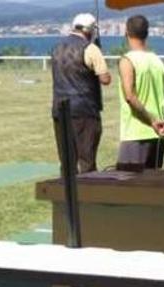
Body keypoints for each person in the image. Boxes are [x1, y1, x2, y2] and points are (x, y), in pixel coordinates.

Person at [51, 13, 112, 174]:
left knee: (67, 162)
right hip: (85, 111)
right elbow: (105, 79)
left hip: (59, 110)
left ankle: (67, 197)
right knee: (87, 161)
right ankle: (88, 196)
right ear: (89, 30)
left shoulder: (56, 48)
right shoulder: (91, 49)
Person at [116, 15, 164, 172]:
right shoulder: (157, 61)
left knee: (128, 190)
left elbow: (130, 96)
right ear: (147, 34)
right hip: (157, 136)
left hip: (136, 135)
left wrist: (152, 121)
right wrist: (162, 122)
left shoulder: (127, 61)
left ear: (126, 32)